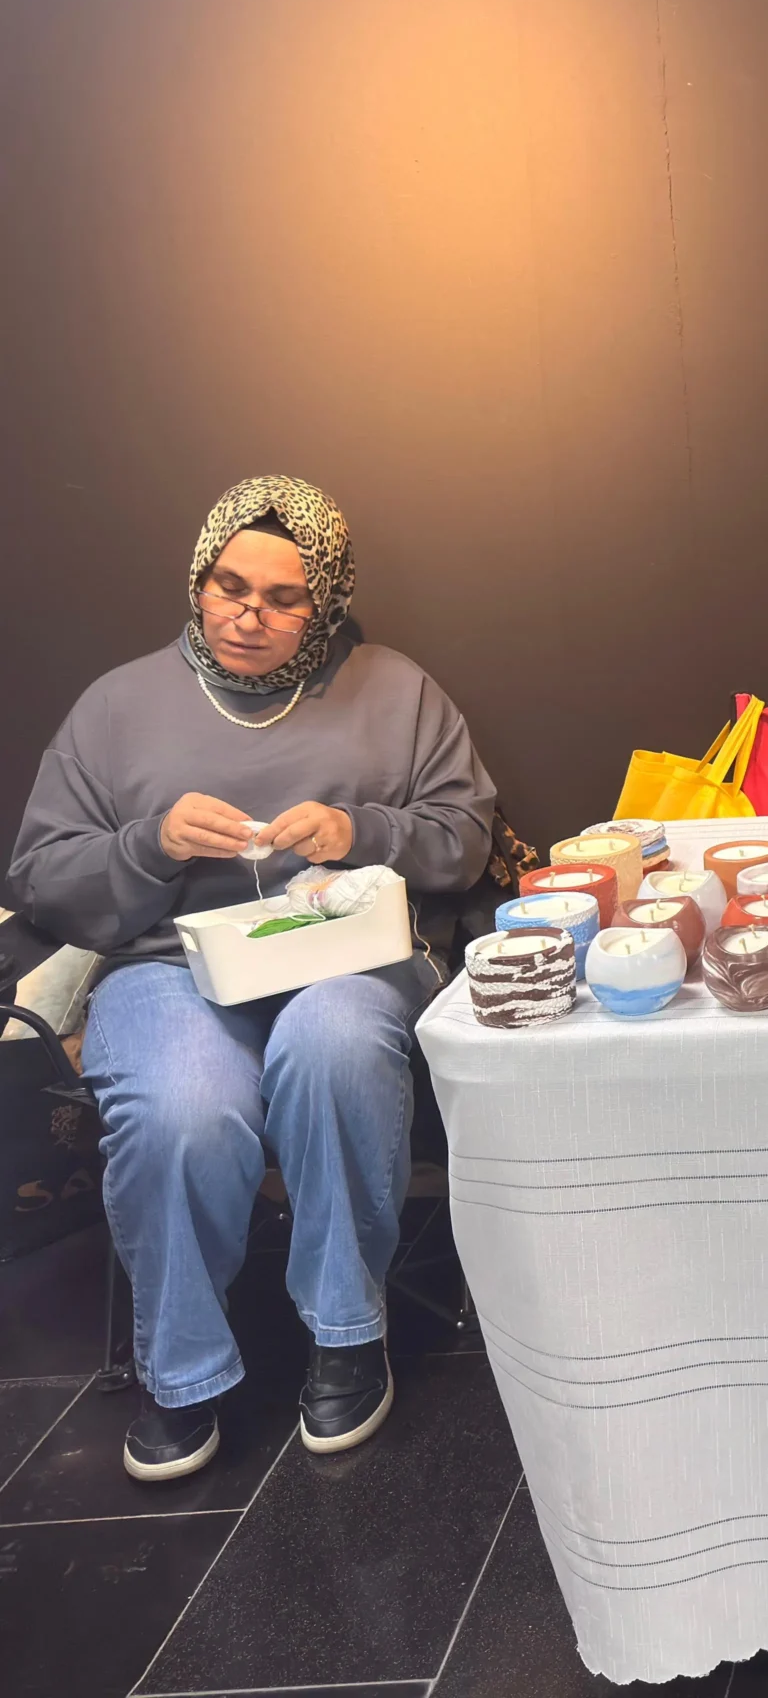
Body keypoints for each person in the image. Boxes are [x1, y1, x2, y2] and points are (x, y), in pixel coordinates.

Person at [10, 476, 495, 1481]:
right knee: (180, 1108)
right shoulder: (118, 705)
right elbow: (42, 876)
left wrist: (360, 829)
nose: (248, 615)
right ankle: (181, 1370)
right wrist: (149, 844)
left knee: (333, 1051)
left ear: (327, 601)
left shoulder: (396, 690)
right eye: (229, 586)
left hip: (347, 954)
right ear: (200, 577)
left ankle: (348, 1332)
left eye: (284, 599)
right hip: (167, 965)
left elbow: (464, 838)